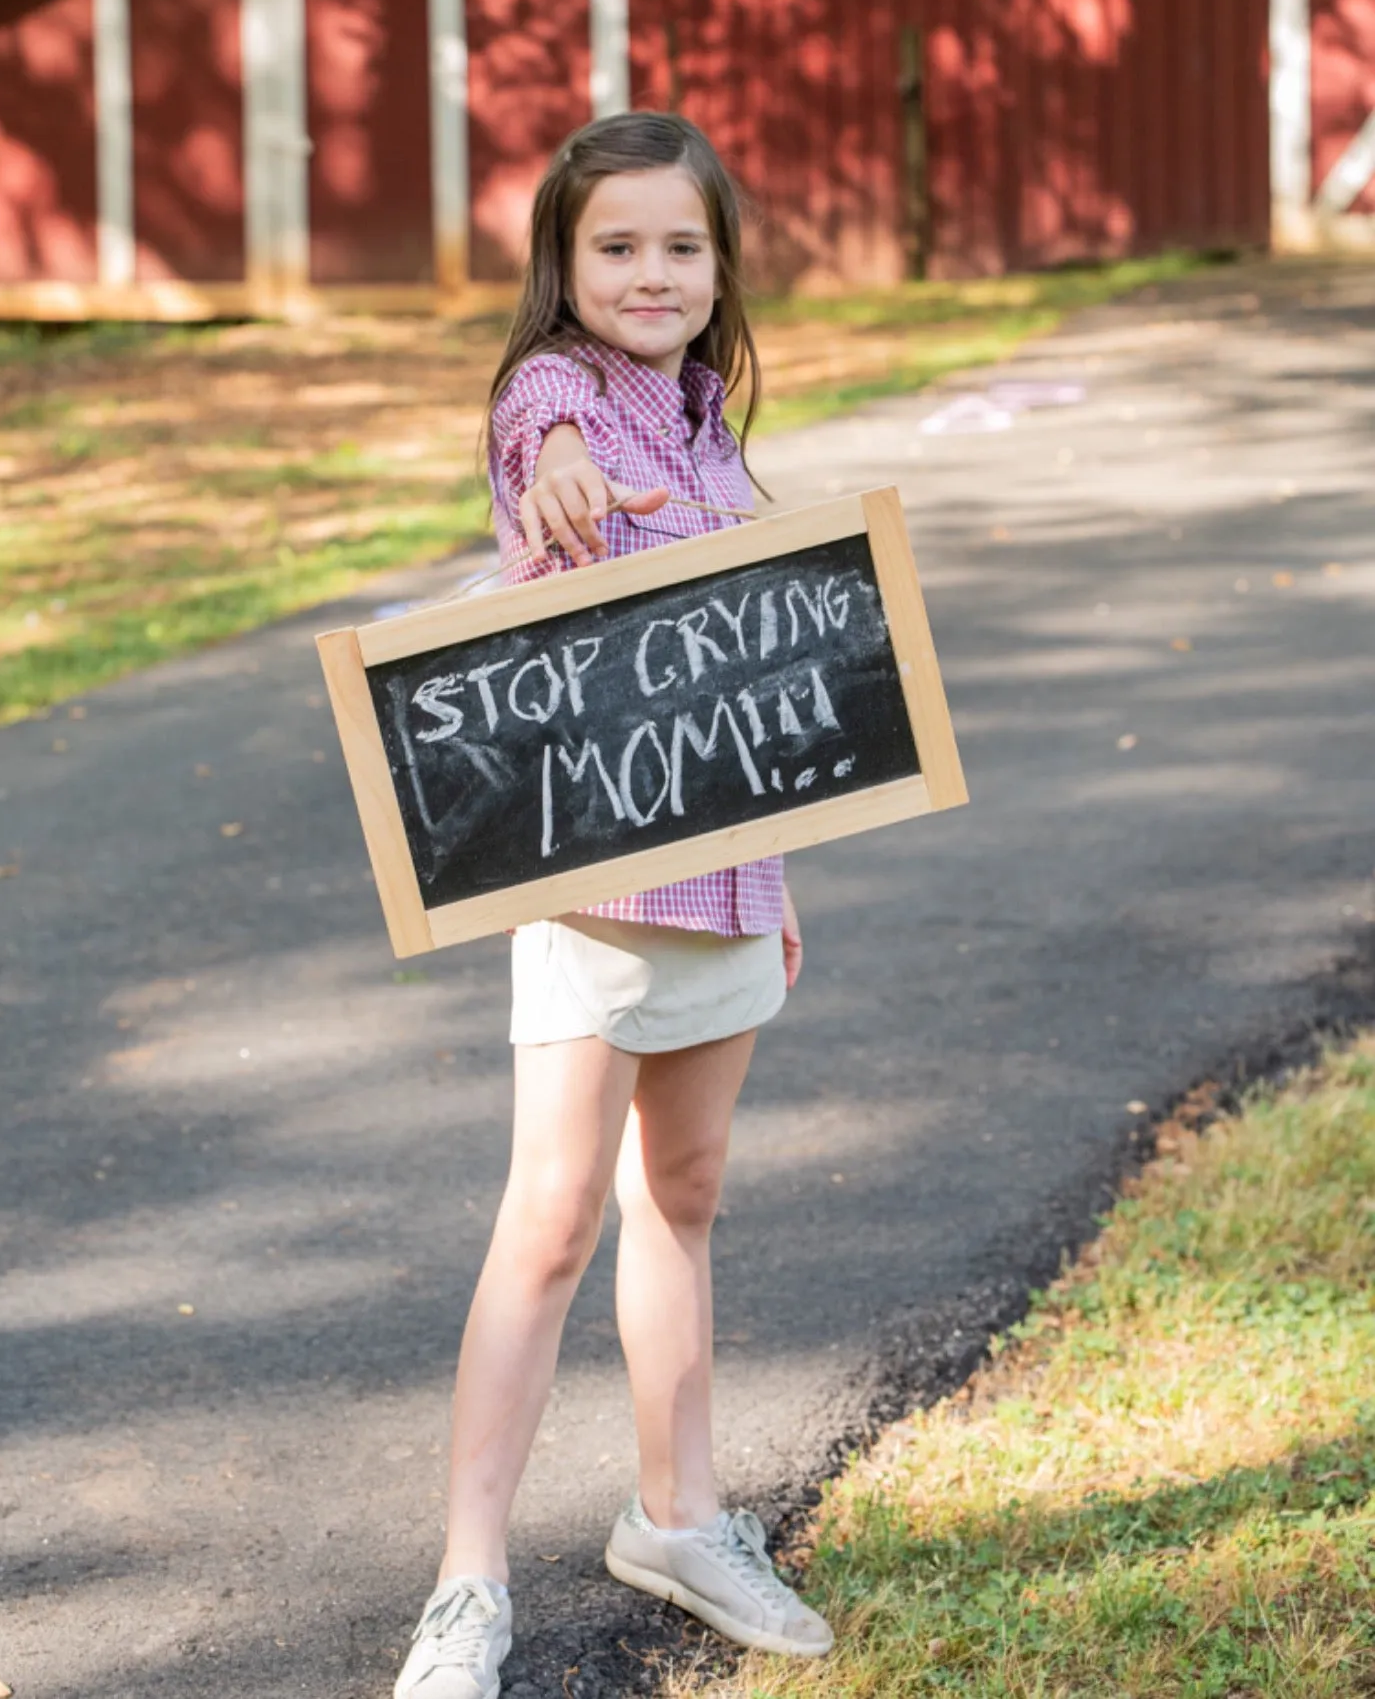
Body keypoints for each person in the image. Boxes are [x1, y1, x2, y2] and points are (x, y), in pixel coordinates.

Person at [394, 112, 833, 1699]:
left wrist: (777, 877)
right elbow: (540, 421)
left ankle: (678, 1518)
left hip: (726, 888)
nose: (651, 273)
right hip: (591, 892)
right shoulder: (555, 398)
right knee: (552, 1220)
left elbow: (750, 687)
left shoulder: (714, 429)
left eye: (681, 246)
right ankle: (465, 1583)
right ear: (564, 267)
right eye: (616, 246)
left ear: (719, 269)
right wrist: (559, 453)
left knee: (688, 1196)